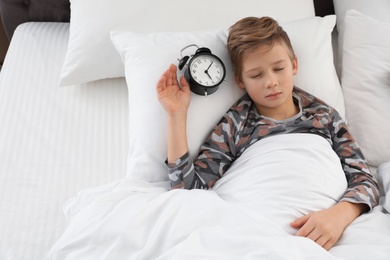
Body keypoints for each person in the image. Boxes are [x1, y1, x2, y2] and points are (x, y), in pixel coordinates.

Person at [156, 16, 380, 251]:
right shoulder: (236, 123)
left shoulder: (323, 116)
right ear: (240, 81)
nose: (271, 82)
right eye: (256, 75)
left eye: (279, 69)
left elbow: (364, 179)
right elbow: (187, 191)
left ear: (294, 65)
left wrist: (339, 216)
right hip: (254, 228)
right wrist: (176, 115)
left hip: (323, 235)